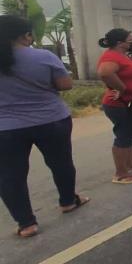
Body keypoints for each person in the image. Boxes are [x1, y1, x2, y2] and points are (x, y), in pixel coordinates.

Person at [0, 15, 89, 238]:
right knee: (61, 163)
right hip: (51, 120)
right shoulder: (42, 56)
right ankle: (68, 201)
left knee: (10, 175)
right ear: (25, 34)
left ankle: (26, 223)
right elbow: (65, 84)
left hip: (6, 127)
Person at [97, 28, 132, 185]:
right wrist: (121, 89)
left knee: (131, 134)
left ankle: (131, 163)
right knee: (124, 135)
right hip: (120, 104)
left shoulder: (121, 56)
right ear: (120, 43)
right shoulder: (110, 57)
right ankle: (120, 173)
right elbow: (105, 73)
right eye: (129, 39)